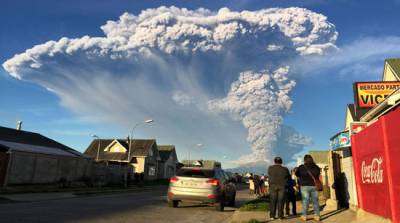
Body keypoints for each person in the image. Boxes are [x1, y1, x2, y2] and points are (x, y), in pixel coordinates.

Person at [295, 154, 321, 222]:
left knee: (305, 201)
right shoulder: (316, 167)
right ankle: (317, 216)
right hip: (314, 186)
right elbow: (318, 173)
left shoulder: (301, 167)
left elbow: (296, 174)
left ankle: (304, 216)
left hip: (304, 186)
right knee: (315, 201)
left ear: (304, 160)